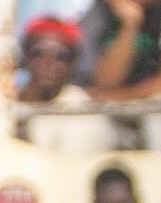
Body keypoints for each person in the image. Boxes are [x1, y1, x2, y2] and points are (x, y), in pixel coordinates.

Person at [16, 18, 112, 154]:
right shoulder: (5, 101)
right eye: (38, 53)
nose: (48, 63)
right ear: (25, 58)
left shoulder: (83, 111)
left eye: (60, 56)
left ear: (74, 63)